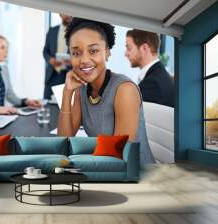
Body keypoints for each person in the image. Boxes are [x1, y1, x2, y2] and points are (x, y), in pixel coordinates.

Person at [57, 18, 155, 164]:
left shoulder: (124, 90)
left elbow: (120, 156)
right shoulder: (82, 89)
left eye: (93, 51)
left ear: (107, 53)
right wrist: (67, 93)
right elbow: (63, 142)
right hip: (105, 165)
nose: (84, 60)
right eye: (76, 53)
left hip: (136, 174)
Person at [125, 29, 174, 107]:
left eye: (129, 48)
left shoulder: (152, 84)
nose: (126, 54)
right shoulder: (159, 76)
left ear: (144, 48)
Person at [43, 14, 72, 99]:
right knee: (47, 105)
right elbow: (45, 51)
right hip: (51, 76)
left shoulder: (77, 33)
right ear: (60, 13)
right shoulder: (52, 31)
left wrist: (72, 61)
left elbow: (81, 55)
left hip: (67, 76)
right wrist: (50, 60)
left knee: (64, 107)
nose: (70, 15)